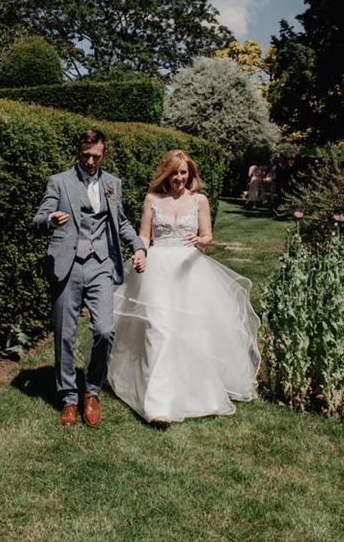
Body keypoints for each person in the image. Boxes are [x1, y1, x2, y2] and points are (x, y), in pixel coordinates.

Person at [108, 150, 261, 424]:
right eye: (175, 173)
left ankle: (196, 395)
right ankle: (158, 405)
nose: (179, 178)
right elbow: (144, 235)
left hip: (189, 269)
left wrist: (200, 240)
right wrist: (140, 253)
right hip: (156, 269)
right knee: (158, 330)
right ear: (165, 174)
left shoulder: (199, 200)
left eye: (184, 173)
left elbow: (208, 237)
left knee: (191, 332)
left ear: (190, 174)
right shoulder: (152, 199)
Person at [32, 129, 147, 427]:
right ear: (78, 152)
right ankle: (69, 398)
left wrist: (137, 246)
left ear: (103, 154)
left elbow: (119, 221)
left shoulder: (112, 184)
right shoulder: (59, 182)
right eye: (86, 155)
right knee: (65, 334)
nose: (91, 161)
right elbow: (37, 219)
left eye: (96, 155)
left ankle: (92, 391)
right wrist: (50, 220)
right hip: (67, 265)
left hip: (100, 265)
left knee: (105, 330)